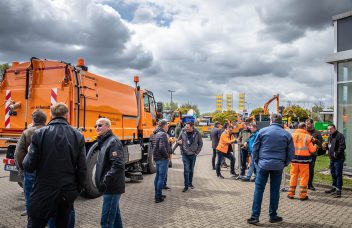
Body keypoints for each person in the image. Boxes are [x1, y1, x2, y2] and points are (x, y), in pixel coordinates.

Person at [23, 103, 87, 228]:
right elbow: (82, 168)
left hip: (43, 192)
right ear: (67, 115)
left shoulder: (39, 134)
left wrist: (30, 151)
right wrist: (77, 189)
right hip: (66, 192)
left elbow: (28, 165)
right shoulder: (78, 135)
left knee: (36, 223)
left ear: (51, 115)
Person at [247, 114, 294, 225]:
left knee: (259, 190)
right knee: (274, 191)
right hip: (278, 165)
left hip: (263, 165)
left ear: (271, 121)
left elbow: (255, 148)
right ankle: (273, 215)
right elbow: (291, 152)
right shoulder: (286, 134)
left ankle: (255, 217)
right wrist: (285, 163)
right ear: (281, 121)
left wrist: (257, 161)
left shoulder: (262, 131)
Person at [14, 110, 47, 222]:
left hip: (31, 170)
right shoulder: (50, 131)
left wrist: (22, 168)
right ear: (45, 120)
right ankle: (45, 217)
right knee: (45, 194)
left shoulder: (27, 132)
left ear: (33, 120)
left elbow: (19, 153)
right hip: (47, 171)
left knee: (30, 194)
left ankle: (31, 217)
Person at [95, 118, 125, 227]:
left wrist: (105, 181)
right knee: (115, 218)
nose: (97, 128)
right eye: (96, 126)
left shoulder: (113, 142)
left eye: (100, 125)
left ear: (108, 127)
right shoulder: (104, 141)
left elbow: (118, 165)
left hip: (111, 187)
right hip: (109, 186)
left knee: (106, 221)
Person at [287, 123, 317, 200]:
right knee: (304, 177)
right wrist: (315, 145)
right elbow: (312, 150)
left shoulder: (292, 135)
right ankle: (303, 195)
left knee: (293, 176)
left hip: (294, 160)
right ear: (304, 127)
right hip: (304, 160)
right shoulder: (308, 137)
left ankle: (291, 194)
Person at [177, 122, 203, 192]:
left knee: (191, 169)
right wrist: (179, 145)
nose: (186, 128)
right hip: (185, 154)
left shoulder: (197, 133)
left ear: (192, 127)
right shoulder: (183, 131)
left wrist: (196, 153)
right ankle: (186, 186)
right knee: (186, 170)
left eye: (188, 127)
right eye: (186, 127)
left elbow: (200, 143)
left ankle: (190, 183)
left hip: (193, 154)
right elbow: (178, 141)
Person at [151, 120, 171, 203]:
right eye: (167, 125)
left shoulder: (154, 134)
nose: (168, 127)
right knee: (161, 178)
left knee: (158, 177)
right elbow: (161, 147)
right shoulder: (163, 134)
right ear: (164, 126)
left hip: (156, 158)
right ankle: (158, 197)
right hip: (162, 159)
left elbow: (152, 146)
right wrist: (167, 156)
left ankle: (158, 194)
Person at [325, 124, 346, 198]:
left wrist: (335, 154)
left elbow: (343, 146)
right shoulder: (330, 136)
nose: (329, 130)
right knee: (333, 173)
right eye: (328, 129)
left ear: (334, 129)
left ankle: (338, 190)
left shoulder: (340, 135)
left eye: (330, 129)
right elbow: (330, 145)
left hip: (338, 159)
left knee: (338, 174)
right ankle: (334, 188)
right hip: (332, 159)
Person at [305, 119, 323, 191]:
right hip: (303, 154)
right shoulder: (304, 132)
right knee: (304, 170)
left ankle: (310, 184)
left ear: (312, 124)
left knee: (311, 170)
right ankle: (304, 184)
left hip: (312, 154)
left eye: (308, 124)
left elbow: (321, 144)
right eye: (306, 124)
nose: (307, 125)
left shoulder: (317, 133)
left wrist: (315, 140)